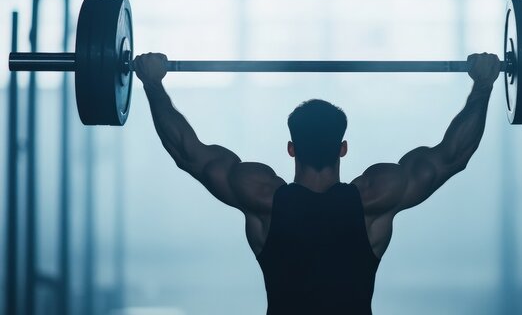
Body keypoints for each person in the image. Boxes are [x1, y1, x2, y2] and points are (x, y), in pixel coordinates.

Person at [134, 52, 501, 315]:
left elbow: (187, 152)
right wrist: (483, 85)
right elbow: (454, 155)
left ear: (291, 148)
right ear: (343, 148)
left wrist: (152, 83)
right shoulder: (376, 197)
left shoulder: (261, 197)